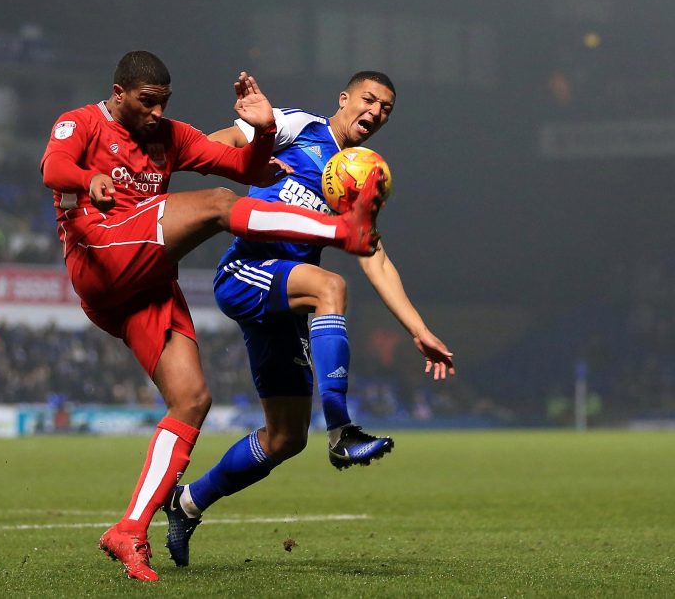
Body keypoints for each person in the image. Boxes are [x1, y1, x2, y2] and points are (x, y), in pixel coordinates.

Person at [40, 51, 387, 582]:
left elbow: (246, 167)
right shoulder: (82, 121)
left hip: (145, 285)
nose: (156, 113)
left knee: (192, 400)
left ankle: (131, 529)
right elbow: (53, 167)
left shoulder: (170, 135)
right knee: (218, 205)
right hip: (100, 253)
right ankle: (345, 234)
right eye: (146, 102)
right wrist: (88, 181)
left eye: (164, 102)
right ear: (118, 93)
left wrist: (265, 129)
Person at [161, 71, 455, 567]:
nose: (376, 112)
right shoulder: (300, 126)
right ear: (344, 99)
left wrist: (419, 330)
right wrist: (244, 160)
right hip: (246, 270)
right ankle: (342, 430)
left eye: (386, 108)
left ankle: (186, 504)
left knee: (285, 438)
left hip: (288, 300)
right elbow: (226, 140)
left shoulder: (363, 176)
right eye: (369, 99)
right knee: (331, 286)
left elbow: (375, 257)